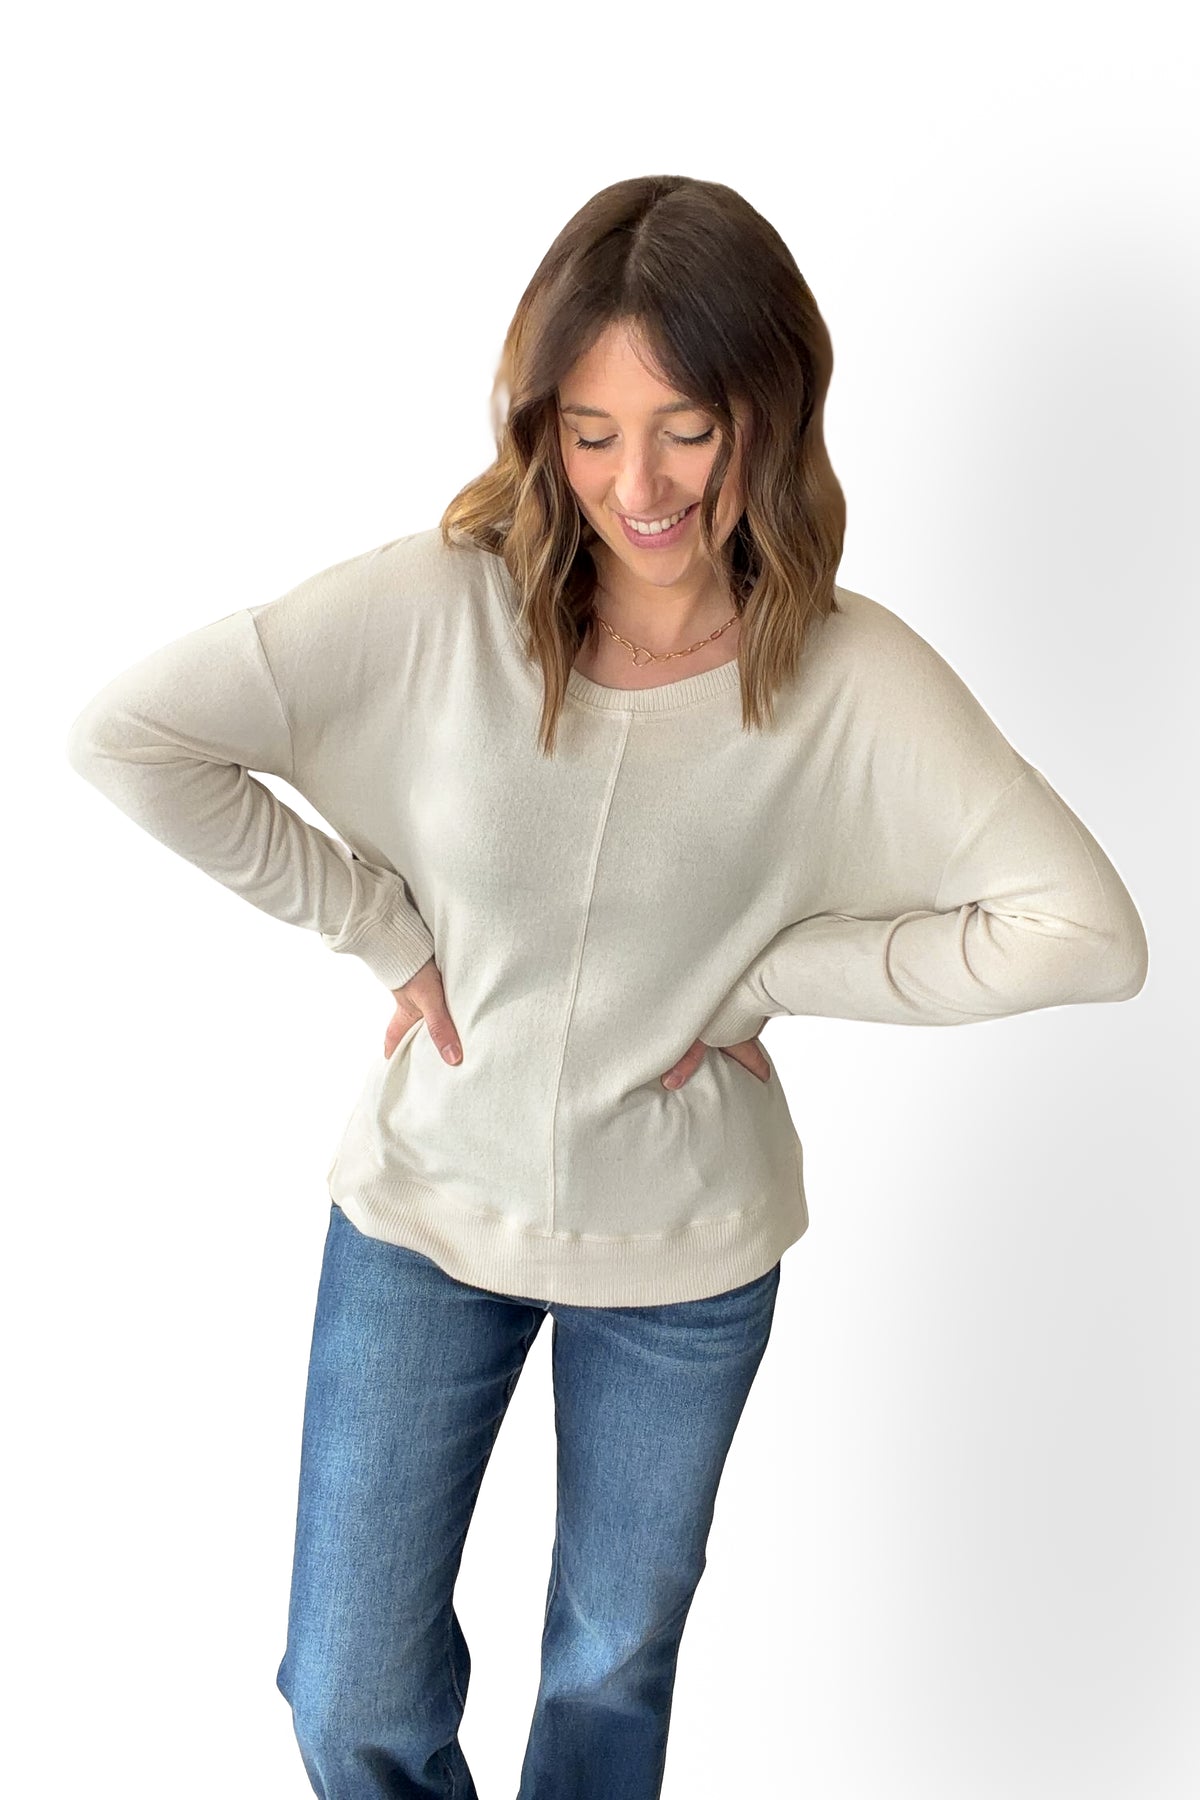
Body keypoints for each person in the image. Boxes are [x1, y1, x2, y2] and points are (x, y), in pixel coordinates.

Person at [64, 174, 1149, 1800]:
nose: (636, 485)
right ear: (541, 428)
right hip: (426, 1212)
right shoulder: (439, 609)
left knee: (608, 1676)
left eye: (687, 429)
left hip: (687, 1260)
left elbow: (1088, 932)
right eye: (588, 431)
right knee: (347, 1691)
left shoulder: (851, 678)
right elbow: (129, 736)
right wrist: (378, 928)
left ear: (770, 415)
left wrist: (780, 972)